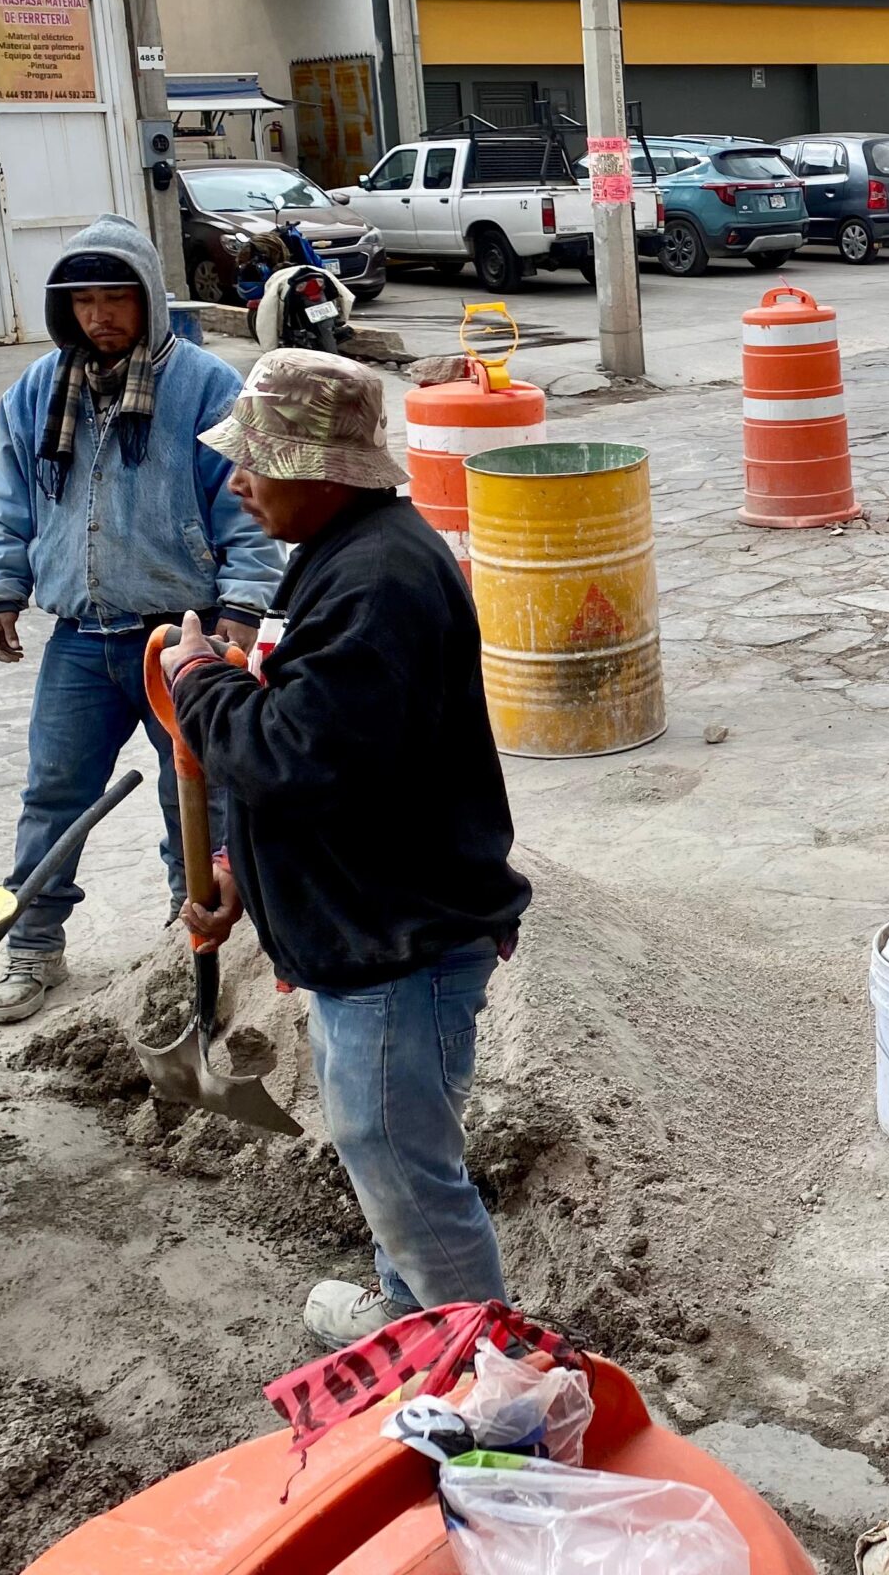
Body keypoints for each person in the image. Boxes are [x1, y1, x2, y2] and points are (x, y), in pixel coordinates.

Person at [166, 349, 531, 1349]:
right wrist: (240, 874)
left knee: (403, 1163)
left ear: (328, 470)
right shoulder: (339, 553)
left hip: (397, 939)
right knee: (387, 1155)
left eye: (259, 463)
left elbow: (289, 754)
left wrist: (199, 681)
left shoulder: (377, 581)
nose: (237, 481)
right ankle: (414, 1319)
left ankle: (481, 1373)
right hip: (361, 916)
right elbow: (325, 738)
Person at [0, 217, 281, 1025]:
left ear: (147, 300)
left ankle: (197, 947)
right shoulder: (37, 392)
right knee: (54, 795)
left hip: (184, 635)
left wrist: (240, 614)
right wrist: (0, 589)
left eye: (116, 300)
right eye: (83, 302)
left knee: (200, 798)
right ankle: (34, 948)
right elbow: (10, 507)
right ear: (61, 309)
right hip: (80, 638)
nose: (100, 317)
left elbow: (245, 510)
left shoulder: (208, 387)